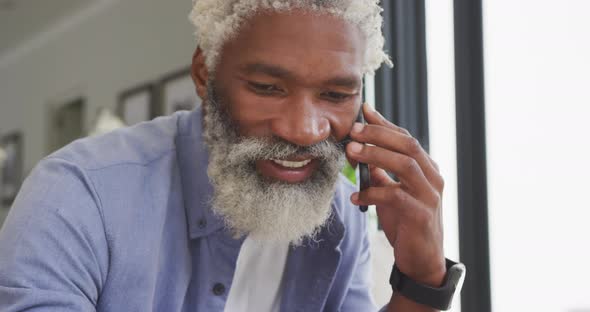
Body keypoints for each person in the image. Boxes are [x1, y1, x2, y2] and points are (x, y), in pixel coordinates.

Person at [0, 1, 460, 311]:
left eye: (336, 93)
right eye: (267, 88)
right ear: (205, 74)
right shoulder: (78, 195)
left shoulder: (344, 216)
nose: (303, 130)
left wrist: (420, 279)